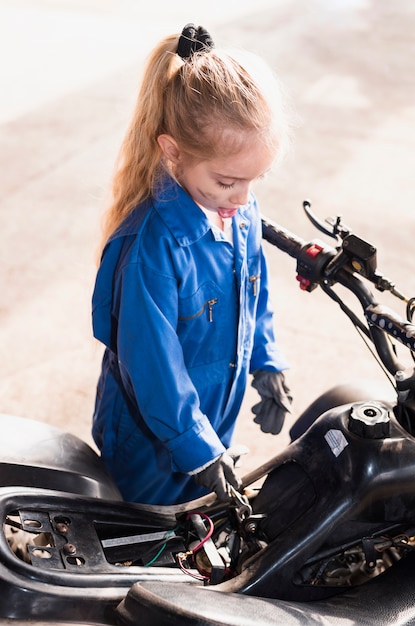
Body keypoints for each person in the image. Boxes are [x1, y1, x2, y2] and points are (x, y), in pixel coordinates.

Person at [91, 24, 292, 506]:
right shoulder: (152, 247)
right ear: (173, 152)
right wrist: (197, 450)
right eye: (227, 182)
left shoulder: (239, 211)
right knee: (149, 540)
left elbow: (254, 292)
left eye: (255, 180)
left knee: (195, 532)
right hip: (150, 444)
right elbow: (151, 363)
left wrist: (266, 358)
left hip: (210, 419)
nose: (243, 199)